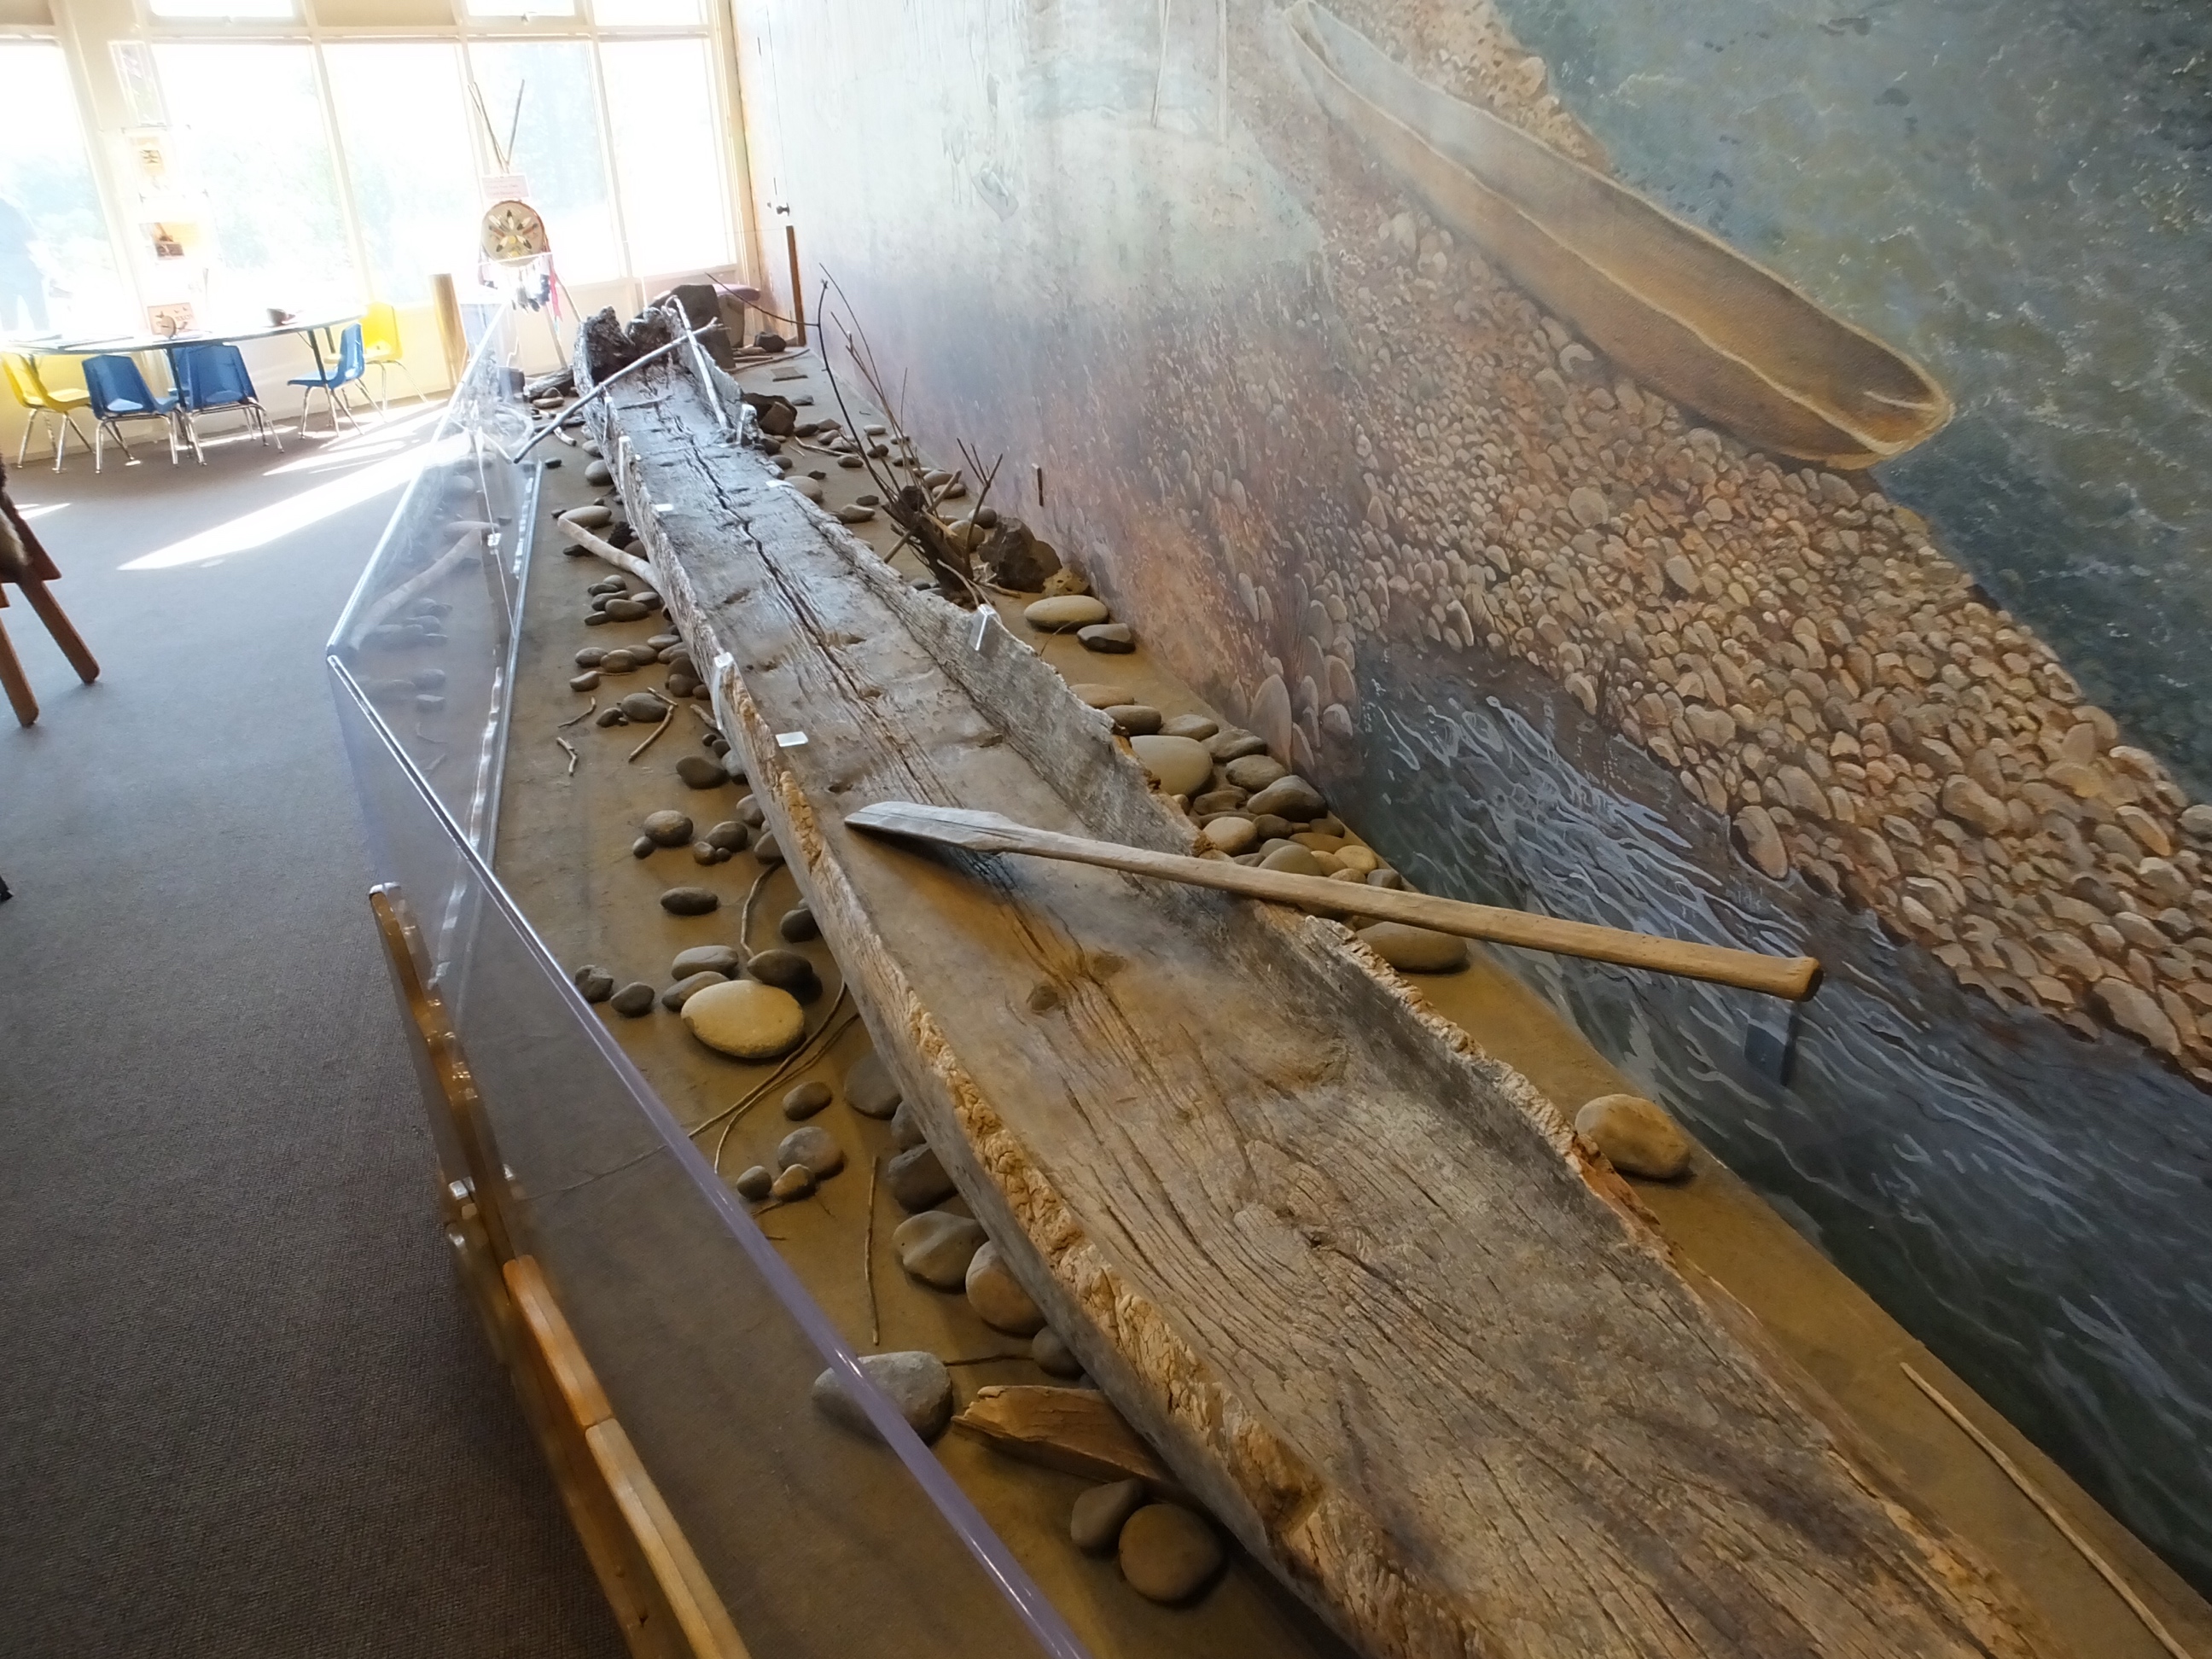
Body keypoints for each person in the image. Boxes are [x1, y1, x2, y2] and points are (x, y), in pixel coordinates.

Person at [0, 195, 52, 337]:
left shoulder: (12, 206)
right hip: (24, 268)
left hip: (5, 272)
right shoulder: (13, 206)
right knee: (41, 322)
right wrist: (47, 268)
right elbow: (32, 238)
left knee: (9, 325)